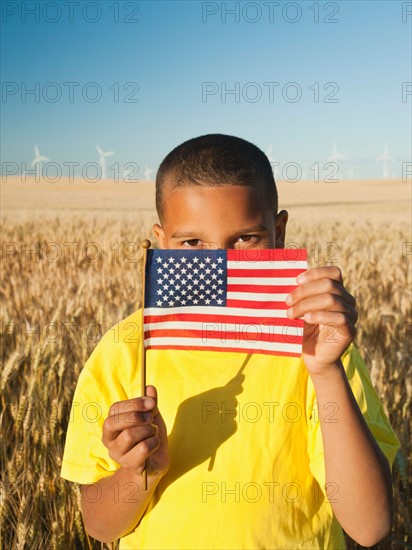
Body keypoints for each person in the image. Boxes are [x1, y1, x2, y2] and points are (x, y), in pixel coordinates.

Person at [60, 134, 400, 549]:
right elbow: (99, 525)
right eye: (192, 243)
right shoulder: (126, 349)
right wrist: (136, 474)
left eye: (245, 239)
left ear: (279, 232)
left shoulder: (317, 344)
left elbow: (370, 525)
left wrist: (326, 371)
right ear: (162, 240)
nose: (219, 263)